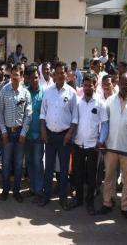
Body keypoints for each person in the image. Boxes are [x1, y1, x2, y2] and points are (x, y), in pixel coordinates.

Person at [98, 73, 127, 221]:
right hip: (111, 147)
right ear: (119, 83)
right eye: (122, 83)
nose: (124, 85)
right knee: (109, 177)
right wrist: (103, 142)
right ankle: (107, 203)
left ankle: (125, 206)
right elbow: (104, 124)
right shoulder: (110, 101)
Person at [38, 62, 78, 210]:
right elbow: (43, 113)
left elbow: (75, 117)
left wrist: (69, 134)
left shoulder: (72, 93)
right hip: (49, 135)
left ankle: (62, 197)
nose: (60, 75)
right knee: (48, 167)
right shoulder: (48, 91)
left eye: (63, 73)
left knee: (63, 170)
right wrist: (43, 129)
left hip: (64, 137)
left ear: (66, 75)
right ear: (54, 75)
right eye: (58, 73)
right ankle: (46, 195)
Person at [71, 72, 109, 215]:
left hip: (93, 146)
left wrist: (101, 141)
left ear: (95, 85)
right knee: (78, 174)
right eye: (85, 85)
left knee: (92, 176)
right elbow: (74, 122)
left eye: (90, 85)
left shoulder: (100, 103)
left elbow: (105, 124)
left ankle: (90, 202)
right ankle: (78, 199)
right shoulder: (78, 102)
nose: (87, 88)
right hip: (78, 144)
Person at [0, 65, 32, 202]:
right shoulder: (4, 91)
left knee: (18, 165)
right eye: (12, 76)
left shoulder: (26, 93)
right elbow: (0, 112)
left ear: (21, 76)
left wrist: (23, 133)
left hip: (20, 135)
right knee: (5, 164)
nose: (14, 78)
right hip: (7, 133)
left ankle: (16, 191)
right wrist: (4, 131)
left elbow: (28, 115)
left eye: (17, 75)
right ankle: (5, 190)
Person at [25, 66, 44, 203]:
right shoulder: (25, 92)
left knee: (38, 163)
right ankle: (32, 187)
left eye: (36, 77)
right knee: (30, 162)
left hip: (38, 136)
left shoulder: (45, 93)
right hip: (26, 135)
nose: (34, 80)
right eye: (32, 77)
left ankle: (39, 190)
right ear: (28, 79)